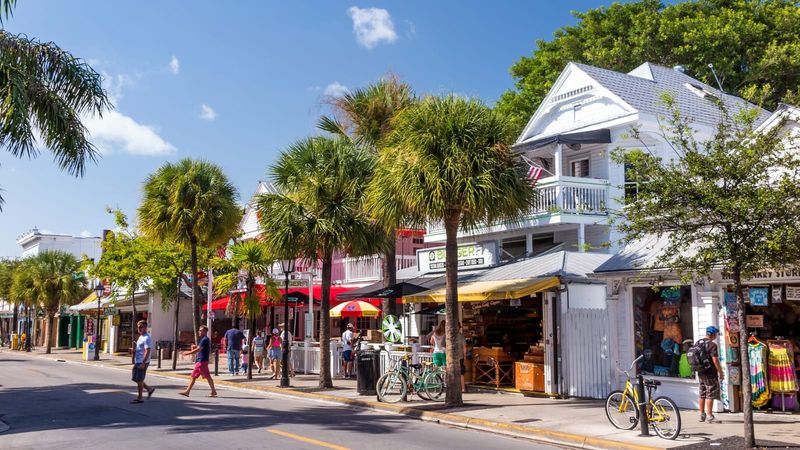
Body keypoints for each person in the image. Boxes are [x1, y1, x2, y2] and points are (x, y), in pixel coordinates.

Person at [179, 325, 218, 397]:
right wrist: (195, 347)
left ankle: (187, 391)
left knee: (193, 376)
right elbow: (200, 348)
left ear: (205, 331)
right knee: (207, 376)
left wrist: (187, 353)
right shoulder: (204, 339)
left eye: (200, 330)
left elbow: (198, 350)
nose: (199, 332)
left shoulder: (205, 339)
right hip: (203, 361)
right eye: (199, 330)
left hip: (201, 361)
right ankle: (213, 391)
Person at [697, 326, 724, 423]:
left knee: (702, 393)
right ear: (713, 334)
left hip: (700, 372)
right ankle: (709, 416)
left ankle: (701, 415)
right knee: (710, 393)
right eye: (716, 334)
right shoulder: (712, 345)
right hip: (710, 373)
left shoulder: (698, 342)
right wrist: (721, 372)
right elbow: (715, 360)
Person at [130, 320, 155, 404]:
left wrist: (143, 363)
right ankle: (149, 389)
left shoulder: (147, 337)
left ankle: (140, 397)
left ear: (145, 328)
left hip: (142, 361)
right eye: (138, 327)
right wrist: (134, 351)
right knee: (135, 378)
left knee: (139, 379)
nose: (139, 328)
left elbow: (147, 351)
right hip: (138, 361)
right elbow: (141, 350)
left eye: (141, 327)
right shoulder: (141, 336)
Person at [455, 323, 467, 393]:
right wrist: (464, 356)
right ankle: (463, 388)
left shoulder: (450, 335)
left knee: (451, 372)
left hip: (452, 357)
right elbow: (464, 347)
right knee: (461, 373)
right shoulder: (461, 336)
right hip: (460, 356)